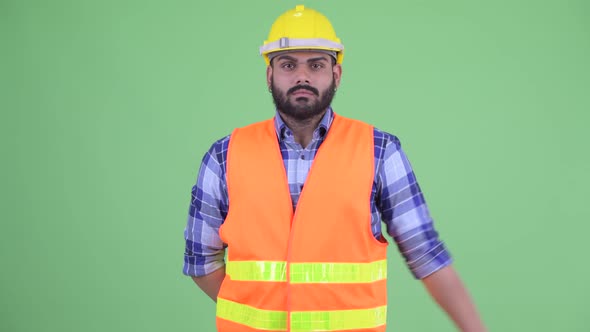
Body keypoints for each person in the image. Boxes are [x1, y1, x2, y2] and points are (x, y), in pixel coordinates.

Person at [183, 5, 486, 332]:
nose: (302, 76)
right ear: (269, 74)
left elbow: (427, 256)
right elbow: (201, 263)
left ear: (336, 74)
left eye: (316, 64)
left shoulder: (380, 152)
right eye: (288, 64)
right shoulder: (224, 155)